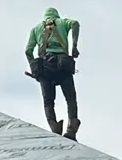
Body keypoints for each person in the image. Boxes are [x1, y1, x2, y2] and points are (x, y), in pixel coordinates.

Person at [25, 7, 80, 137]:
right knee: (70, 98)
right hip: (63, 65)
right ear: (57, 15)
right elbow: (75, 23)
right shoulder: (62, 22)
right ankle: (71, 128)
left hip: (44, 67)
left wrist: (34, 67)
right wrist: (74, 45)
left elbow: (28, 51)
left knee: (48, 101)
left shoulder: (36, 29)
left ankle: (54, 126)